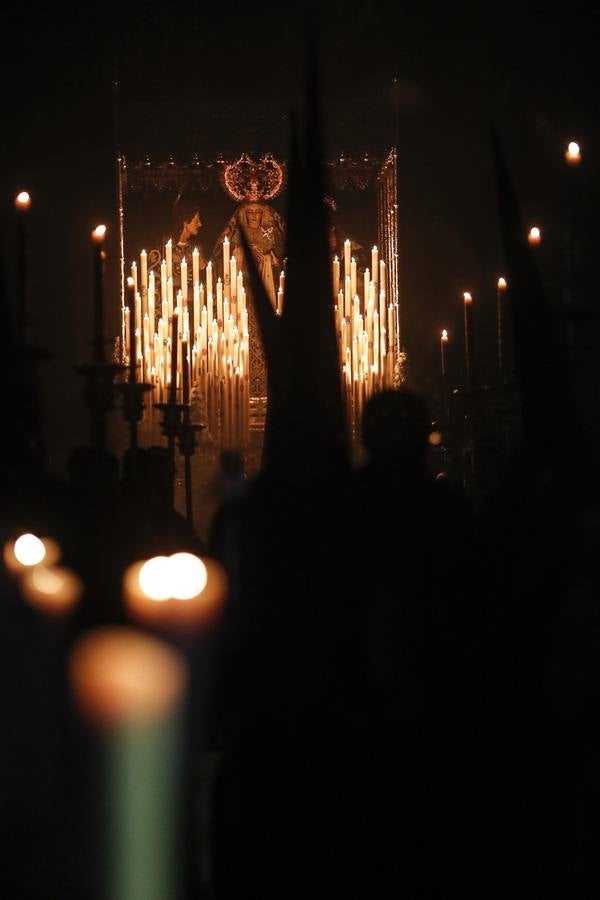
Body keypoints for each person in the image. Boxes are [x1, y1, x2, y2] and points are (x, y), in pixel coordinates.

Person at [214, 202, 285, 398]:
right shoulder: (237, 236)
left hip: (266, 290)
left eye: (258, 212)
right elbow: (227, 259)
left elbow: (279, 257)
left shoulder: (269, 235)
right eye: (250, 212)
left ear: (264, 215)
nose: (254, 216)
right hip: (243, 293)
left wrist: (266, 257)